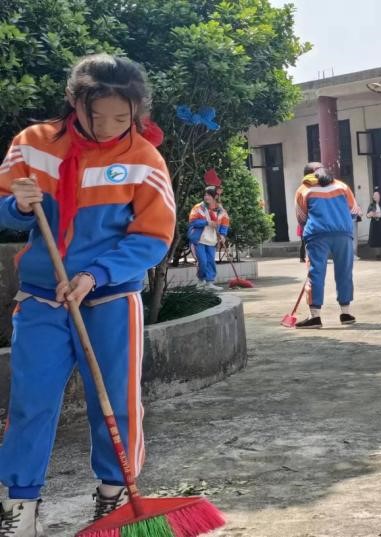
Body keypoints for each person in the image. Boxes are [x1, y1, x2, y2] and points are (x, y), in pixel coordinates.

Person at [0, 54, 175, 534]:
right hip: (41, 297)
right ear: (74, 102)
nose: (107, 129)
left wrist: (95, 275)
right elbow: (1, 208)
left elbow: (153, 237)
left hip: (110, 299)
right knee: (31, 402)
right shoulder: (31, 146)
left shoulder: (144, 158)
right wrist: (16, 204)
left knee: (116, 403)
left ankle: (113, 498)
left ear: (137, 112)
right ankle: (20, 508)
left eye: (122, 118)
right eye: (95, 116)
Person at [295, 166, 362, 328]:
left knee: (315, 273)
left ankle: (315, 317)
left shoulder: (304, 189)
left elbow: (301, 217)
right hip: (343, 234)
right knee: (344, 272)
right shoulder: (341, 186)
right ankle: (345, 314)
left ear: (308, 174)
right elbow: (354, 210)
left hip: (317, 235)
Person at [188, 185, 230, 291]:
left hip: (212, 240)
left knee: (210, 261)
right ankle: (201, 280)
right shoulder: (198, 207)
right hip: (199, 239)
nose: (206, 197)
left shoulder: (221, 210)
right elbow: (193, 221)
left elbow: (225, 223)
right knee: (202, 261)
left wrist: (223, 234)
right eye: (205, 194)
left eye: (209, 195)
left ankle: (209, 282)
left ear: (215, 196)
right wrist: (207, 222)